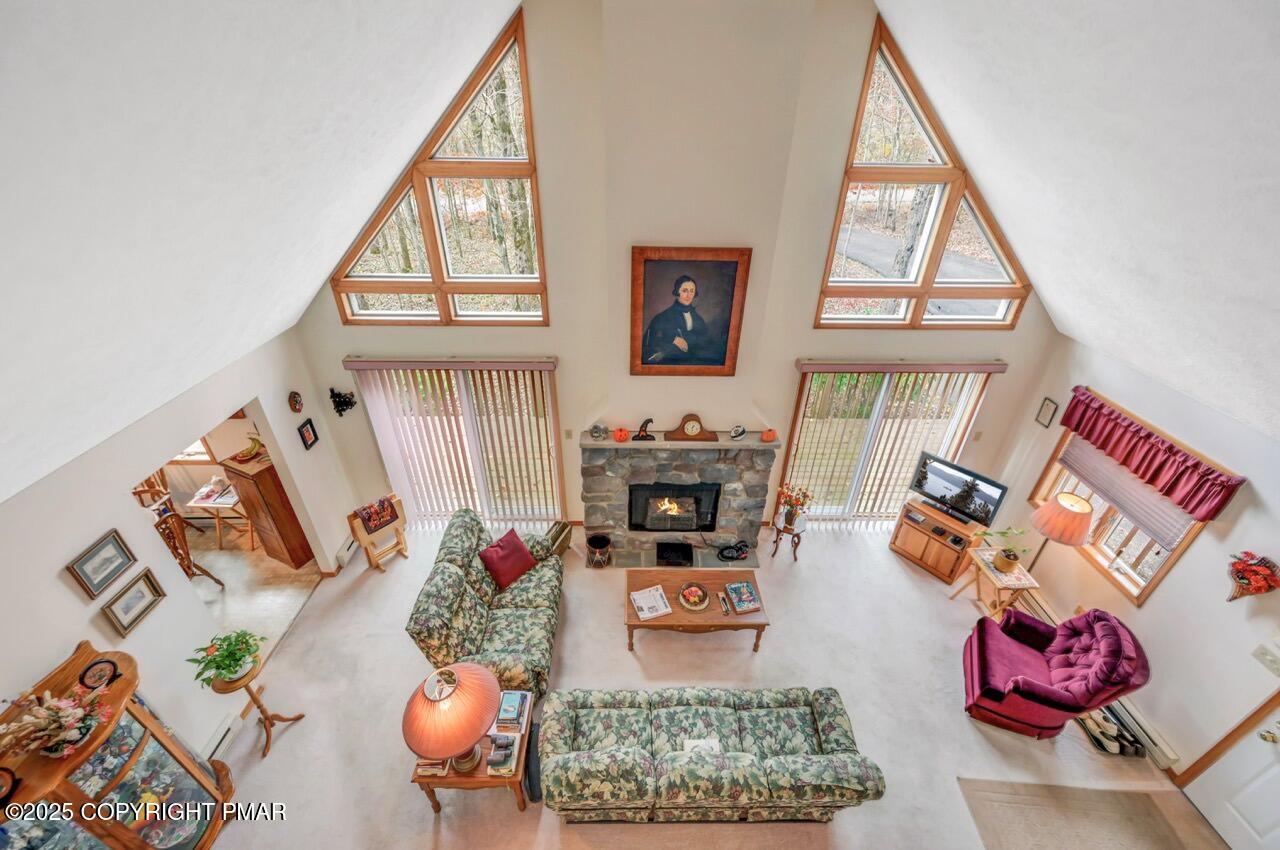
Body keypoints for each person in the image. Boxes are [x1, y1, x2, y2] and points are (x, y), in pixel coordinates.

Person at [642, 275, 720, 365]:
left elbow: (707, 341)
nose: (688, 295)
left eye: (692, 291)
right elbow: (649, 342)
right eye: (684, 291)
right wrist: (672, 339)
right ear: (677, 292)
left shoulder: (698, 318)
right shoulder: (662, 317)